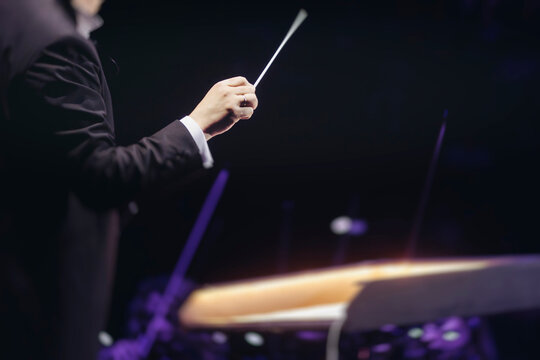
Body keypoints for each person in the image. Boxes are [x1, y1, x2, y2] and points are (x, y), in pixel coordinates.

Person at [0, 0, 258, 359]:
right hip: (38, 307)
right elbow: (102, 176)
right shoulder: (54, 41)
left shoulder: (16, 15)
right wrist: (199, 127)